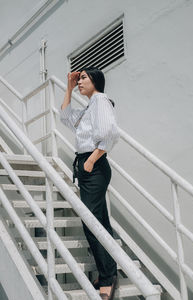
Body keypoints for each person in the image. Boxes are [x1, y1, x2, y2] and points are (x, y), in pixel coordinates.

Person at [59, 66, 120, 300]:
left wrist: (92, 160)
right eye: (79, 78)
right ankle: (109, 271)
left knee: (91, 223)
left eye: (84, 77)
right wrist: (69, 87)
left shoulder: (101, 100)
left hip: (93, 166)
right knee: (100, 223)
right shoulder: (88, 108)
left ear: (96, 80)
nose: (80, 81)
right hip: (87, 166)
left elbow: (110, 133)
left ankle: (106, 278)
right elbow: (65, 116)